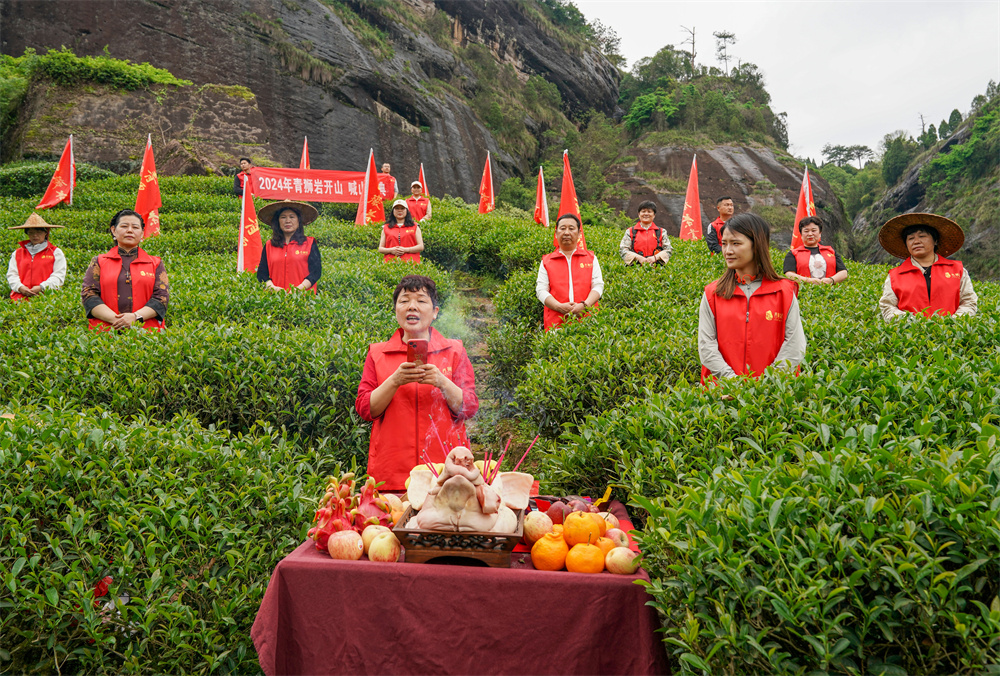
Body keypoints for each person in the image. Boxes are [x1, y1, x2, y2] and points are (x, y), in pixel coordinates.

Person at [355, 275, 479, 491]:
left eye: (421, 301)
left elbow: (468, 407)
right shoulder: (377, 353)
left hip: (446, 473)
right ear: (396, 311)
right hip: (391, 473)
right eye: (404, 301)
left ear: (435, 312)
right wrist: (395, 381)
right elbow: (366, 409)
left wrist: (442, 382)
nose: (412, 306)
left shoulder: (454, 351)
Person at [698, 213, 805, 382]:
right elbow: (706, 346)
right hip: (723, 393)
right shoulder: (713, 293)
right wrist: (733, 383)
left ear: (757, 245)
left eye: (736, 243)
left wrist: (765, 386)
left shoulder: (784, 291)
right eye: (724, 243)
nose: (727, 251)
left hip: (772, 395)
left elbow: (794, 345)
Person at [877, 213, 977, 321]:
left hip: (950, 336)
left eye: (922, 236)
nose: (916, 241)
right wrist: (909, 322)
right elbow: (888, 306)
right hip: (911, 336)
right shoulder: (895, 276)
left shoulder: (957, 270)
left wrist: (952, 322)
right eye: (910, 238)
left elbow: (969, 302)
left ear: (935, 240)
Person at [81, 209, 169, 331]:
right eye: (124, 226)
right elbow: (89, 294)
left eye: (135, 227)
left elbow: (161, 298)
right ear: (113, 230)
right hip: (105, 333)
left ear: (142, 233)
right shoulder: (99, 261)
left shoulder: (155, 263)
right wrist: (117, 320)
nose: (130, 230)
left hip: (146, 334)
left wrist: (135, 318)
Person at [536, 213, 604, 331]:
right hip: (556, 322)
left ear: (579, 234)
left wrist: (585, 305)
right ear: (556, 234)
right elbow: (541, 290)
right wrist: (559, 307)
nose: (566, 232)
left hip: (587, 319)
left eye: (571, 229)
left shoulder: (591, 258)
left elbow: (598, 285)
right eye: (562, 229)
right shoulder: (547, 261)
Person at [256, 200, 321, 293]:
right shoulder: (269, 245)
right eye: (283, 217)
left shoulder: (310, 243)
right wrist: (274, 288)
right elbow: (262, 273)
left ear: (299, 221)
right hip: (275, 299)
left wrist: (298, 289)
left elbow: (316, 272)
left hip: (303, 300)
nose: (288, 221)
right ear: (277, 221)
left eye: (292, 217)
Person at [7, 212, 67, 300]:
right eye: (31, 232)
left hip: (47, 299)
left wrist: (41, 287)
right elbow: (12, 274)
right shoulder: (18, 253)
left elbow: (58, 276)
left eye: (38, 232)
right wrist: (20, 287)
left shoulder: (55, 252)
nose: (35, 235)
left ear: (45, 233)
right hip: (19, 299)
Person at [783, 216, 849, 285]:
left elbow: (843, 272)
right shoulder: (793, 254)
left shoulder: (830, 251)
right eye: (806, 231)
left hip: (831, 292)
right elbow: (789, 274)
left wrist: (831, 280)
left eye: (814, 230)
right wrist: (808, 281)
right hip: (803, 293)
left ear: (820, 233)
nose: (810, 234)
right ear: (801, 234)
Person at [620, 200, 672, 266]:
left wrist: (654, 258)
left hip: (656, 270)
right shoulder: (630, 231)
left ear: (654, 215)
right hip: (634, 269)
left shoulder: (661, 232)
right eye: (643, 211)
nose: (646, 214)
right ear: (639, 214)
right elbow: (623, 250)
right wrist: (638, 258)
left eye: (649, 212)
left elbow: (668, 250)